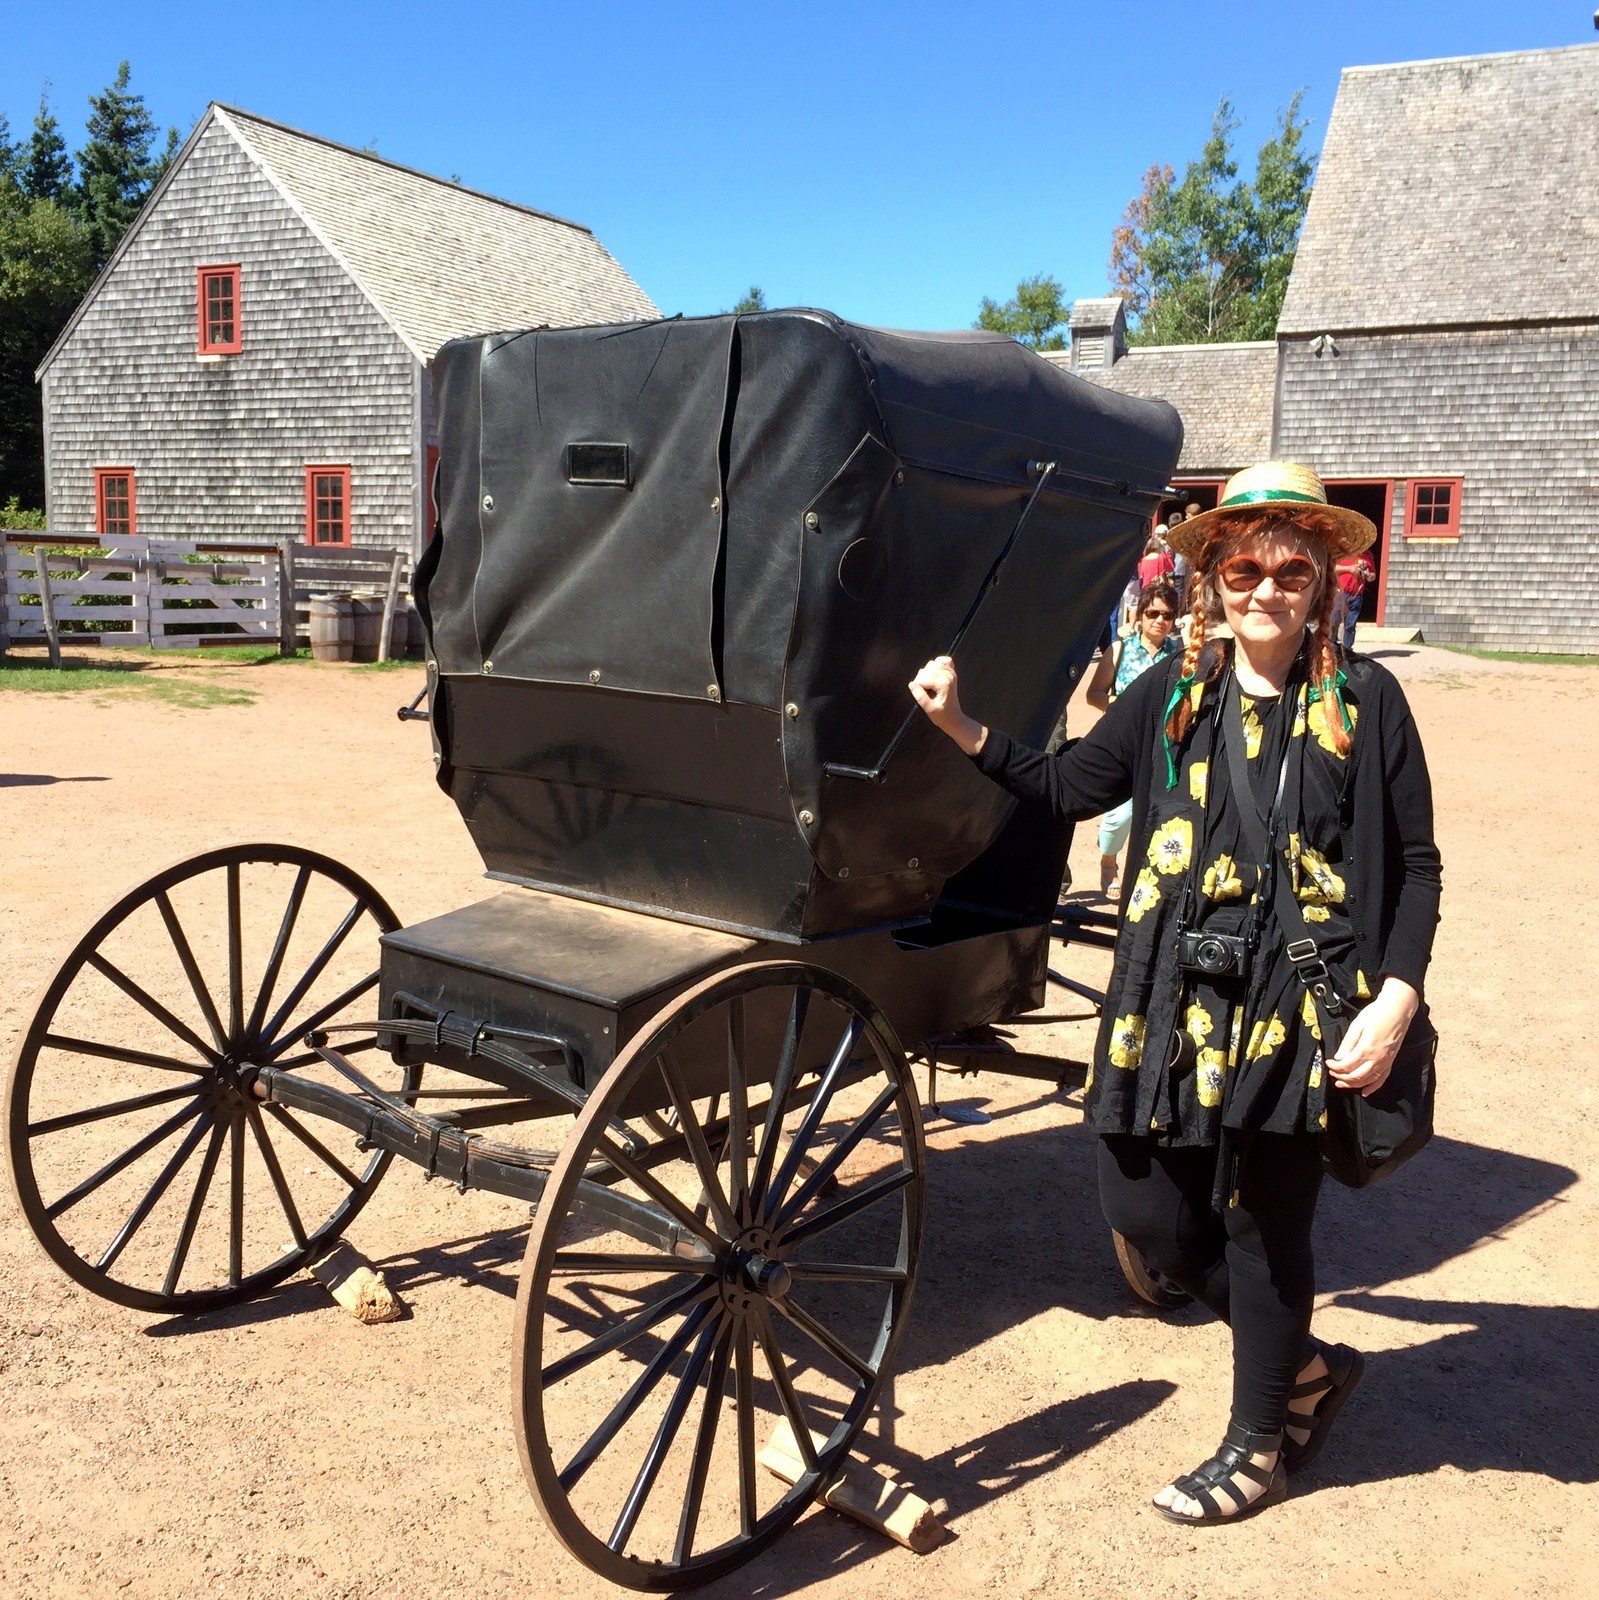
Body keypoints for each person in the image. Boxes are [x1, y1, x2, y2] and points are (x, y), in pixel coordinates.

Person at [909, 461, 1441, 1525]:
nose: (1268, 587)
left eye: (1294, 567)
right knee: (1148, 1214)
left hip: (1298, 1005)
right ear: (1213, 575)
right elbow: (1071, 786)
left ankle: (1258, 1448)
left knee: (1263, 1220)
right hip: (1170, 998)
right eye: (1245, 564)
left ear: (1325, 578)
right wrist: (964, 726)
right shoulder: (1171, 694)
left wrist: (1397, 997)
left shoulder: (1366, 701)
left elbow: (1416, 862)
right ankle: (1304, 1366)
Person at [1085, 581, 1181, 896]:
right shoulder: (1119, 650)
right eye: (1153, 613)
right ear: (1139, 615)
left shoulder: (1180, 656)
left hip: (1162, 747)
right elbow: (1094, 694)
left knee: (1159, 816)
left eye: (1167, 615)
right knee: (1119, 816)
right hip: (1124, 745)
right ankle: (1108, 860)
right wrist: (1124, 708)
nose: (1160, 621)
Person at [1334, 549, 1377, 651]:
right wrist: (1349, 569)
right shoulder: (1343, 553)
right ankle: (1331, 648)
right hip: (1340, 592)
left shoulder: (1368, 555)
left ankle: (1347, 650)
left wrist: (1368, 575)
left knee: (1350, 625)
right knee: (1333, 622)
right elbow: (1333, 568)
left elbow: (1373, 575)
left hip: (1357, 595)